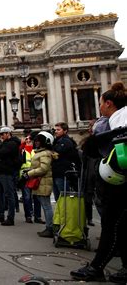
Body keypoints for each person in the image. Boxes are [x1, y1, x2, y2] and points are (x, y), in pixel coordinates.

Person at [71, 82, 127, 283]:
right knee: (118, 225)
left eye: (101, 103)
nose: (100, 107)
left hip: (118, 179)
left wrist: (92, 140)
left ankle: (97, 268)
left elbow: (98, 145)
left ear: (109, 103)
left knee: (112, 224)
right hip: (119, 178)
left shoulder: (116, 118)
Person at [23, 131, 55, 237]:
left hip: (43, 181)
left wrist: (29, 173)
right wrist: (28, 170)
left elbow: (43, 168)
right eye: (35, 141)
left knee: (46, 206)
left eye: (38, 141)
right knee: (45, 205)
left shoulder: (45, 153)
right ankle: (49, 227)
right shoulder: (40, 152)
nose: (36, 143)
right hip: (41, 181)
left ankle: (50, 228)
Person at [0, 126, 21, 226]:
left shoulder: (12, 144)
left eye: (3, 134)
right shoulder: (4, 143)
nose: (1, 136)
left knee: (9, 195)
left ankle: (10, 218)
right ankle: (0, 214)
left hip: (7, 172)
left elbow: (0, 153)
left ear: (8, 133)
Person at [52, 122, 79, 201]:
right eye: (55, 130)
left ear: (65, 131)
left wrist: (52, 152)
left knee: (64, 197)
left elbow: (56, 153)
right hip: (56, 173)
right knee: (58, 198)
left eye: (58, 130)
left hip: (63, 173)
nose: (56, 131)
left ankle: (66, 213)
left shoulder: (66, 141)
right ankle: (61, 213)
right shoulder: (56, 141)